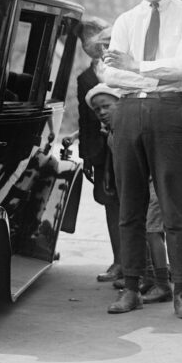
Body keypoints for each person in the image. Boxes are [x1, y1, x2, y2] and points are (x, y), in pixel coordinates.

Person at [101, 0, 182, 319]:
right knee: (130, 205)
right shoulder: (127, 20)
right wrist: (146, 69)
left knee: (173, 206)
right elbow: (110, 73)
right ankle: (131, 288)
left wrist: (137, 64)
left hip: (169, 111)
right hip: (128, 110)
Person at [71, 18, 122, 283]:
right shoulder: (84, 78)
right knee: (110, 204)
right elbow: (84, 118)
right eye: (84, 38)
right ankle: (119, 261)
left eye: (93, 35)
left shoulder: (122, 69)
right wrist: (87, 156)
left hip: (125, 146)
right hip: (101, 154)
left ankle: (148, 263)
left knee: (137, 203)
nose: (89, 43)